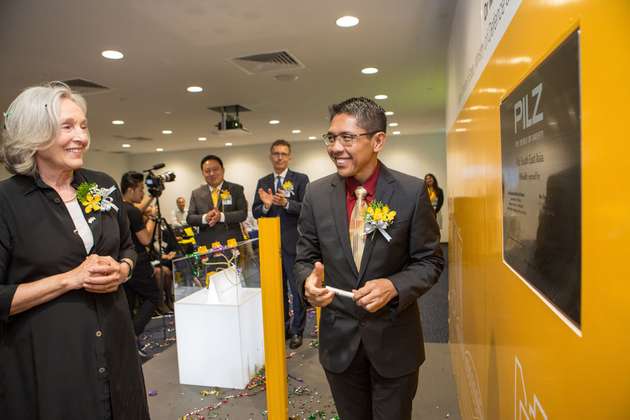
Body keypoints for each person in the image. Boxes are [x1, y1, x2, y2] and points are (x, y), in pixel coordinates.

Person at [0, 82, 150, 419]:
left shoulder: (103, 185)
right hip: (50, 362)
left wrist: (122, 270)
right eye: (67, 127)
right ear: (33, 134)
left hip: (116, 344)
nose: (81, 136)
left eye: (83, 126)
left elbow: (128, 248)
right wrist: (70, 279)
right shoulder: (6, 202)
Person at [294, 97, 444, 420]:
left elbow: (430, 260)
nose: (335, 147)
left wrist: (394, 285)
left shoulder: (410, 192)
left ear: (378, 141)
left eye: (347, 138)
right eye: (331, 138)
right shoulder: (316, 195)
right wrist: (308, 282)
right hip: (339, 347)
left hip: (394, 343)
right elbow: (304, 257)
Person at [252, 139, 309, 349]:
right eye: (276, 153)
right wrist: (266, 207)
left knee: (296, 290)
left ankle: (297, 330)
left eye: (283, 154)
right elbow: (255, 211)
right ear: (270, 156)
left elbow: (306, 208)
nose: (279, 157)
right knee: (278, 290)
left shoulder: (300, 179)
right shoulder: (263, 181)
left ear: (290, 157)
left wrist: (286, 203)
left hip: (293, 244)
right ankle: (284, 326)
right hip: (269, 246)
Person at [120, 171, 161, 355]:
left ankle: (127, 343)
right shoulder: (134, 212)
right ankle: (132, 336)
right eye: (141, 190)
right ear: (131, 190)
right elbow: (145, 239)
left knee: (128, 304)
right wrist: (152, 220)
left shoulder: (119, 208)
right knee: (155, 296)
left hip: (123, 262)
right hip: (139, 262)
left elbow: (138, 210)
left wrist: (152, 198)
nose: (142, 194)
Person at [187, 155, 248, 247]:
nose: (212, 173)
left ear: (223, 170)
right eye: (207, 171)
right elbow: (190, 218)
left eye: (215, 169)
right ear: (203, 173)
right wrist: (205, 218)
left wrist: (221, 216)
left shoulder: (236, 189)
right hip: (207, 245)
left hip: (233, 243)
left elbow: (242, 214)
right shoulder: (196, 193)